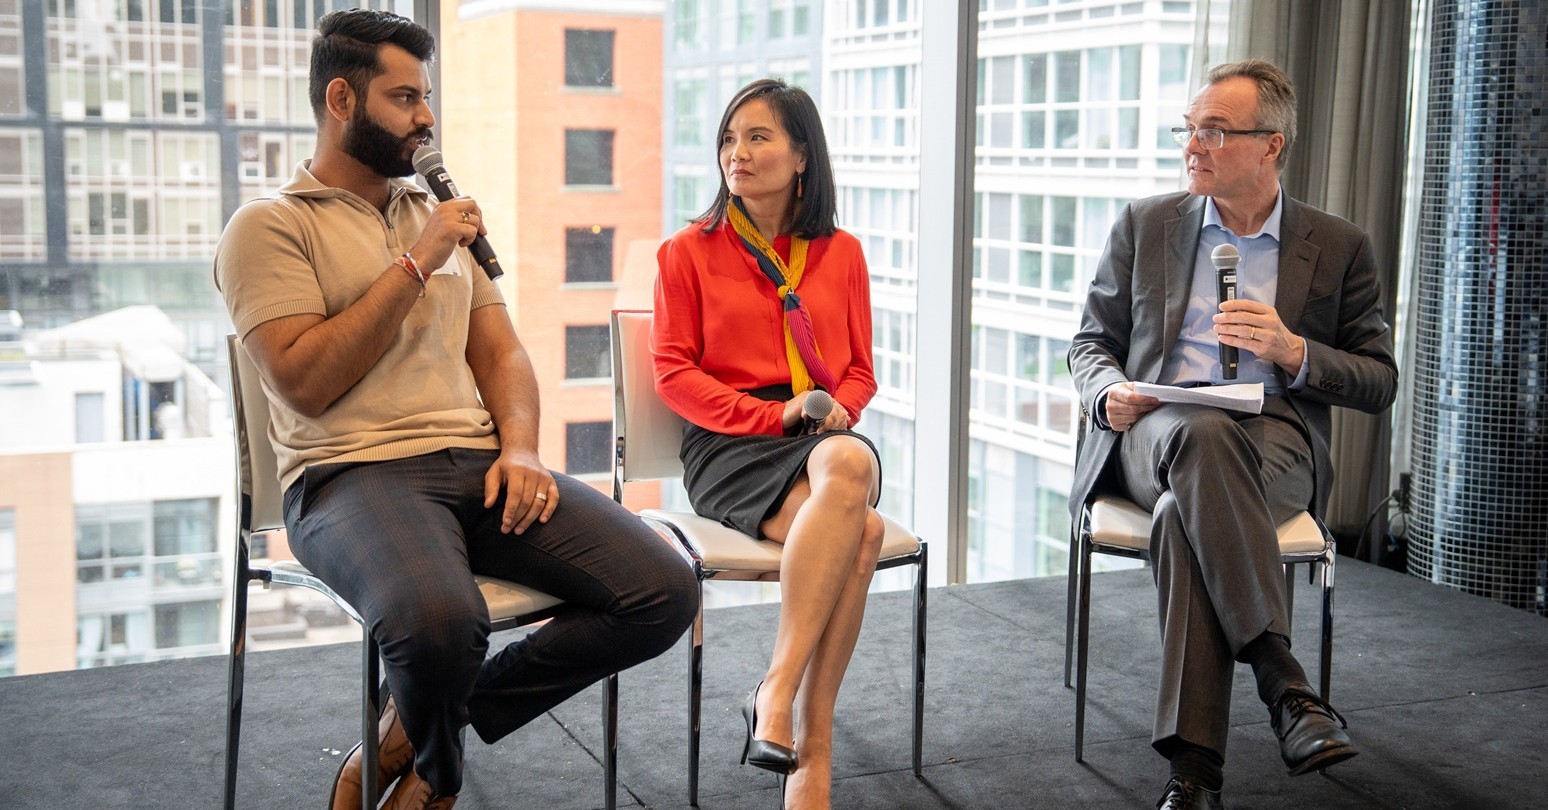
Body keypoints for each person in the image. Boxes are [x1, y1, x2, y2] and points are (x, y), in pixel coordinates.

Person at [213, 10, 697, 810]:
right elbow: (305, 381)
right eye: (405, 98)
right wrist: (419, 260)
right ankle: (436, 784)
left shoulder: (434, 217)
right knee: (440, 623)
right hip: (348, 478)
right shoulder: (269, 228)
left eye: (427, 97)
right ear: (341, 99)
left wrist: (522, 449)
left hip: (475, 464)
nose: (426, 118)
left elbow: (502, 354)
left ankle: (413, 732)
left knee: (663, 588)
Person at [1068, 60, 1397, 810]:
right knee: (1201, 435)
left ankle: (1194, 775)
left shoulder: (1338, 244)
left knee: (1181, 518)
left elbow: (1379, 380)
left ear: (1271, 145)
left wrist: (1294, 351)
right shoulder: (1146, 223)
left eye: (1214, 131)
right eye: (1189, 129)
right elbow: (1090, 342)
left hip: (1274, 437)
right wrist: (1107, 391)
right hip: (1154, 428)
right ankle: (1285, 685)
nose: (1193, 146)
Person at [651, 78, 883, 810]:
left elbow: (860, 371)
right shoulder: (686, 252)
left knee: (848, 461)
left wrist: (836, 411)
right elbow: (673, 375)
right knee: (863, 530)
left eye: (758, 137)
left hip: (819, 437)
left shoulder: (842, 253)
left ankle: (779, 700)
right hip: (728, 442)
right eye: (729, 138)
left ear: (802, 155)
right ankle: (808, 739)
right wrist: (776, 418)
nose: (737, 154)